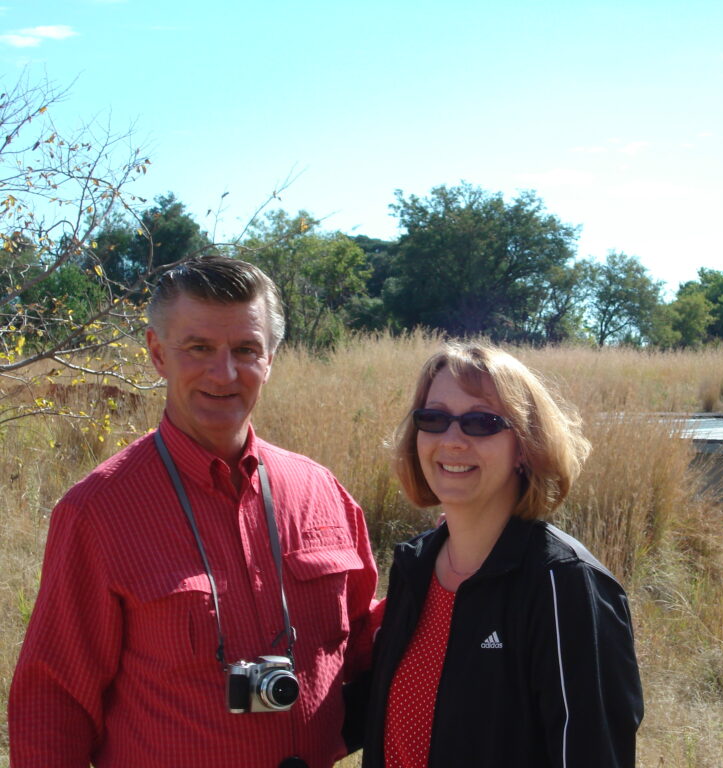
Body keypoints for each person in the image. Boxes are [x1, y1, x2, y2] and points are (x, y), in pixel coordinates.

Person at [8, 255, 379, 768]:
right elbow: (53, 703)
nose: (224, 373)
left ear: (270, 358)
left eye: (245, 349)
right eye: (199, 348)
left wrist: (456, 564)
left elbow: (362, 642)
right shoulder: (97, 512)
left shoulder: (321, 491)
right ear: (158, 353)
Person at [361, 342, 643, 767]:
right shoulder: (414, 567)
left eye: (481, 422)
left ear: (525, 447)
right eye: (434, 419)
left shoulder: (564, 584)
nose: (452, 440)